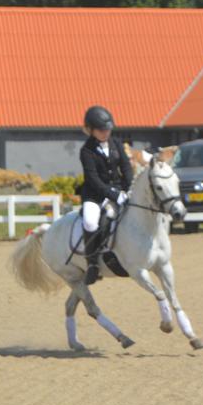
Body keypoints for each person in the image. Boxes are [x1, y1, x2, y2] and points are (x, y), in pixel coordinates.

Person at [78, 105, 133, 285]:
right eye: (101, 130)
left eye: (108, 129)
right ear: (91, 130)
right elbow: (93, 179)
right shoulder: (86, 151)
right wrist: (113, 195)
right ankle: (92, 264)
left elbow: (125, 166)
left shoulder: (116, 143)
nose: (106, 133)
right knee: (90, 221)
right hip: (95, 195)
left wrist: (128, 187)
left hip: (119, 190)